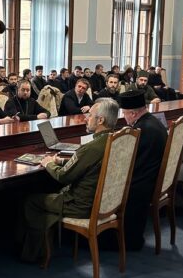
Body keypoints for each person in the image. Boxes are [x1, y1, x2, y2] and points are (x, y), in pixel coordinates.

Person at [20, 99, 119, 262]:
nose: (86, 118)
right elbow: (87, 164)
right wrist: (61, 161)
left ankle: (35, 254)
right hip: (104, 203)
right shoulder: (114, 140)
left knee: (31, 201)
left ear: (101, 120)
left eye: (90, 115)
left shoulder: (92, 147)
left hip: (80, 206)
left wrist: (48, 163)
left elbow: (63, 176)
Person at [114, 90, 167, 251]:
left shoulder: (140, 130)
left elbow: (129, 163)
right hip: (152, 179)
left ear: (133, 113)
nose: (124, 117)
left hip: (140, 186)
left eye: (124, 113)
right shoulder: (153, 122)